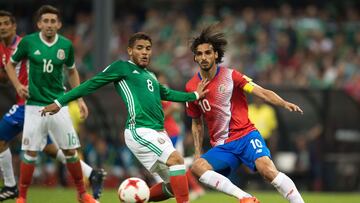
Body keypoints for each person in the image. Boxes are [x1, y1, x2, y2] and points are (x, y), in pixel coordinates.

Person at [40, 32, 209, 203]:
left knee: (173, 186)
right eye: (140, 48)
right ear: (130, 50)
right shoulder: (122, 67)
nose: (145, 52)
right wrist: (60, 102)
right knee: (177, 159)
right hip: (140, 130)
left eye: (148, 49)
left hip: (159, 132)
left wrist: (195, 95)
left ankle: (136, 198)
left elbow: (167, 93)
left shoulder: (150, 76)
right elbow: (92, 83)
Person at [185, 25, 305, 203]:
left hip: (246, 136)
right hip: (223, 145)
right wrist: (197, 151)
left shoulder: (231, 76)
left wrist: (283, 103)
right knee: (197, 167)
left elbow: (262, 92)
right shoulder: (191, 87)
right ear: (195, 57)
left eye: (208, 52)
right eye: (199, 53)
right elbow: (196, 122)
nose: (204, 57)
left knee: (268, 171)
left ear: (216, 55)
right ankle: (245, 198)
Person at [0, 10, 106, 202]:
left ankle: (82, 194)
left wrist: (80, 99)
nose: (49, 24)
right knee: (31, 152)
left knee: (70, 151)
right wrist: (18, 85)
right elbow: (10, 64)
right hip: (33, 106)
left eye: (53, 21)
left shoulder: (66, 45)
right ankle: (22, 196)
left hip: (59, 104)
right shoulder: (28, 42)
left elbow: (72, 72)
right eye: (45, 21)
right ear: (39, 24)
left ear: (59, 25)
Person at [155, 72, 205, 200]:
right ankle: (187, 188)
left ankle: (193, 188)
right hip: (165, 133)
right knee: (176, 163)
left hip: (171, 133)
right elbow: (176, 107)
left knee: (178, 163)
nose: (162, 83)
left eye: (163, 80)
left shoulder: (160, 93)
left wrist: (165, 114)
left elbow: (174, 108)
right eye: (160, 80)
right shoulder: (156, 93)